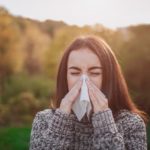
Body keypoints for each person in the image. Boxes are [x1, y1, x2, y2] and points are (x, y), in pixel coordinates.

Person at [29, 35, 147, 150]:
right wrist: (61, 120)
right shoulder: (44, 120)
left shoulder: (131, 124)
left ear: (109, 77)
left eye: (95, 73)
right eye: (75, 73)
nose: (84, 81)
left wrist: (104, 123)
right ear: (65, 77)